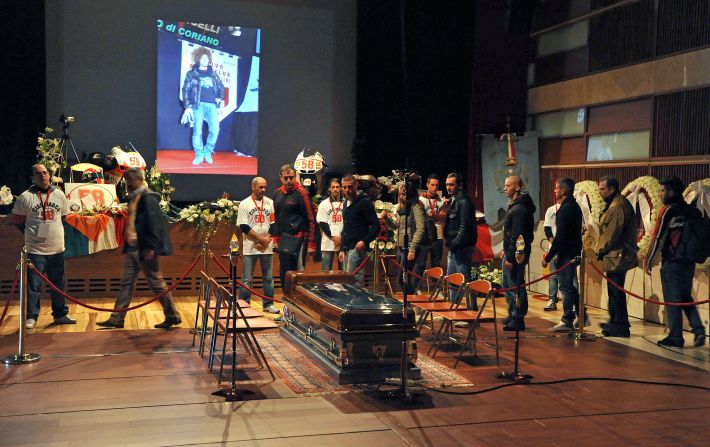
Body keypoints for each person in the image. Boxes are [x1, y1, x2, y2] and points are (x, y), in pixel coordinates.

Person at [97, 168, 181, 329]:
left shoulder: (148, 197)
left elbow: (154, 224)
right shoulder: (134, 197)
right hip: (133, 248)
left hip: (145, 248)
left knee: (156, 282)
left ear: (140, 180)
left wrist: (151, 247)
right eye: (127, 182)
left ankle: (172, 316)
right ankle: (117, 319)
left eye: (130, 182)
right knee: (126, 282)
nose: (127, 185)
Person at [12, 164, 76, 329]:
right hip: (35, 250)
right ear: (32, 178)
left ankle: (60, 314)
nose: (43, 176)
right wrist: (33, 235)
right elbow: (19, 222)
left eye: (45, 172)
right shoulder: (25, 197)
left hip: (57, 249)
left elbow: (63, 217)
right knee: (33, 286)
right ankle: (32, 316)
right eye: (38, 174)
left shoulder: (59, 194)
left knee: (58, 284)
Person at [647, 176, 707, 348]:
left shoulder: (668, 211)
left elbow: (659, 238)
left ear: (671, 191)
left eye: (663, 190)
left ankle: (675, 337)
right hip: (689, 262)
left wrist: (649, 260)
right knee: (685, 297)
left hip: (672, 262)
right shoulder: (693, 211)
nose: (660, 194)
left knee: (673, 299)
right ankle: (698, 329)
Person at [594, 175, 637, 338]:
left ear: (612, 189)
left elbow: (611, 233)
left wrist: (600, 249)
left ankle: (620, 326)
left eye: (603, 189)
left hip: (618, 255)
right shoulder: (614, 203)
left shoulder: (618, 205)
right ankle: (616, 321)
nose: (600, 193)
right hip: (614, 255)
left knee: (616, 291)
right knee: (614, 291)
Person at [544, 178, 583, 333]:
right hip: (570, 252)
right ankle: (581, 313)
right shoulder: (572, 206)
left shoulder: (567, 208)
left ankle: (567, 319)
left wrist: (548, 257)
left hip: (567, 254)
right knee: (569, 287)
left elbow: (561, 237)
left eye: (556, 188)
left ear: (564, 190)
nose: (554, 191)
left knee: (566, 287)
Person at [273, 164, 316, 302]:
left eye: (291, 177)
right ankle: (287, 307)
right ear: (280, 178)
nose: (289, 181)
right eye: (286, 178)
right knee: (284, 274)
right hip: (284, 241)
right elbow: (275, 219)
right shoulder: (277, 194)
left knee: (297, 275)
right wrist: (275, 239)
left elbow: (311, 219)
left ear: (295, 176)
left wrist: (311, 244)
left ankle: (298, 310)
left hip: (299, 240)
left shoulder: (302, 193)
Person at [500, 175, 535, 331]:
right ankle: (512, 313)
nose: (504, 188)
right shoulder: (514, 205)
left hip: (517, 255)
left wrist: (511, 256)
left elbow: (518, 235)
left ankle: (518, 317)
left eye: (508, 185)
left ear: (517, 187)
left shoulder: (520, 208)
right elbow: (509, 233)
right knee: (508, 284)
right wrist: (505, 250)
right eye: (505, 185)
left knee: (516, 285)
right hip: (510, 251)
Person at [237, 177, 277, 313]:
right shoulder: (245, 204)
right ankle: (244, 304)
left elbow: (273, 224)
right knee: (247, 278)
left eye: (265, 187)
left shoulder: (270, 203)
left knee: (268, 278)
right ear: (253, 187)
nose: (263, 190)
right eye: (260, 187)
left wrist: (267, 239)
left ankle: (268, 304)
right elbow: (243, 226)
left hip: (267, 245)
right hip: (250, 245)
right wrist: (260, 239)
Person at [181, 46, 226, 166]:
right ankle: (199, 154)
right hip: (197, 105)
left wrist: (220, 98)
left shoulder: (213, 74)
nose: (205, 60)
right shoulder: (192, 74)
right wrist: (187, 106)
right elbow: (185, 90)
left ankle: (208, 151)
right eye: (202, 58)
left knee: (215, 130)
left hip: (212, 106)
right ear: (198, 59)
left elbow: (221, 88)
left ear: (209, 59)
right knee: (197, 131)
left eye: (207, 58)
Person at [339, 174, 380, 287]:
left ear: (356, 185)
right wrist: (342, 248)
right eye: (345, 187)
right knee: (347, 281)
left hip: (357, 248)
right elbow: (345, 227)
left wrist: (364, 241)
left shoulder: (364, 203)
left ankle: (357, 304)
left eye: (350, 187)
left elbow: (376, 226)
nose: (347, 190)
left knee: (354, 282)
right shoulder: (345, 203)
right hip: (348, 248)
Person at [542, 197, 580, 312]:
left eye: (558, 189)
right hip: (554, 248)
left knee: (572, 278)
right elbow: (547, 228)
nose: (556, 192)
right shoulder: (551, 210)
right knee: (553, 276)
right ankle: (552, 300)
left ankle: (574, 305)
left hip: (568, 251)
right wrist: (553, 242)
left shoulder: (574, 208)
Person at [443, 173, 477, 301]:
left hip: (462, 248)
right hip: (455, 246)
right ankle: (453, 310)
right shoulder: (454, 200)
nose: (448, 187)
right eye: (447, 184)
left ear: (460, 185)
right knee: (452, 279)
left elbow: (465, 227)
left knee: (464, 280)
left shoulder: (464, 201)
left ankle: (471, 312)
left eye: (451, 184)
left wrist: (454, 243)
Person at [396, 182, 427, 294]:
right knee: (401, 279)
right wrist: (386, 220)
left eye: (404, 194)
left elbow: (420, 229)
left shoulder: (416, 207)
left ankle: (413, 300)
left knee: (402, 279)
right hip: (400, 248)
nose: (401, 196)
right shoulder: (403, 208)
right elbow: (398, 227)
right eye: (400, 194)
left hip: (408, 247)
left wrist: (412, 248)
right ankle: (410, 303)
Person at [417, 174, 447, 284]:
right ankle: (417, 288)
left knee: (436, 263)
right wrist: (437, 215)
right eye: (432, 185)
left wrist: (430, 214)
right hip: (424, 236)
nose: (435, 187)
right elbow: (420, 217)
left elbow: (443, 217)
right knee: (421, 262)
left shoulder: (442, 201)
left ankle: (436, 287)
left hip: (438, 236)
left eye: (437, 185)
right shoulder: (420, 199)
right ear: (427, 185)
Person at [316, 178, 344, 271]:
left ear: (341, 188)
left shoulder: (346, 203)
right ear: (329, 189)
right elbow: (323, 223)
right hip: (328, 241)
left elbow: (348, 222)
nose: (335, 189)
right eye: (333, 187)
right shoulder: (323, 204)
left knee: (344, 273)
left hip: (343, 241)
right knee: (326, 273)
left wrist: (341, 238)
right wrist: (333, 237)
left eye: (337, 187)